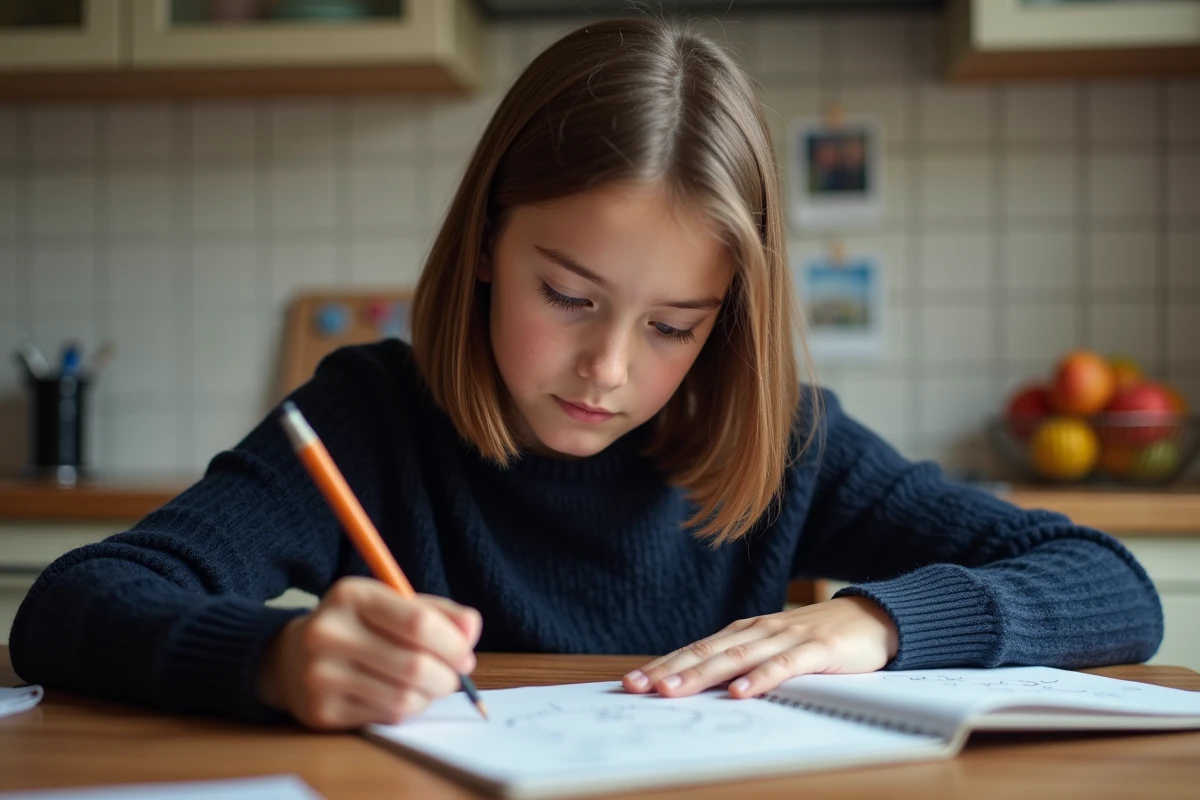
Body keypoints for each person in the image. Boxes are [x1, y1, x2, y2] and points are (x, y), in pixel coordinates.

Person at [11, 17, 1162, 731]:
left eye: (676, 324)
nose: (607, 367)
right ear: (482, 249)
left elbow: (1113, 583)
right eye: (566, 296)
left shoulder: (787, 441)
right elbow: (69, 605)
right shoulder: (368, 416)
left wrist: (875, 623)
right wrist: (272, 659)